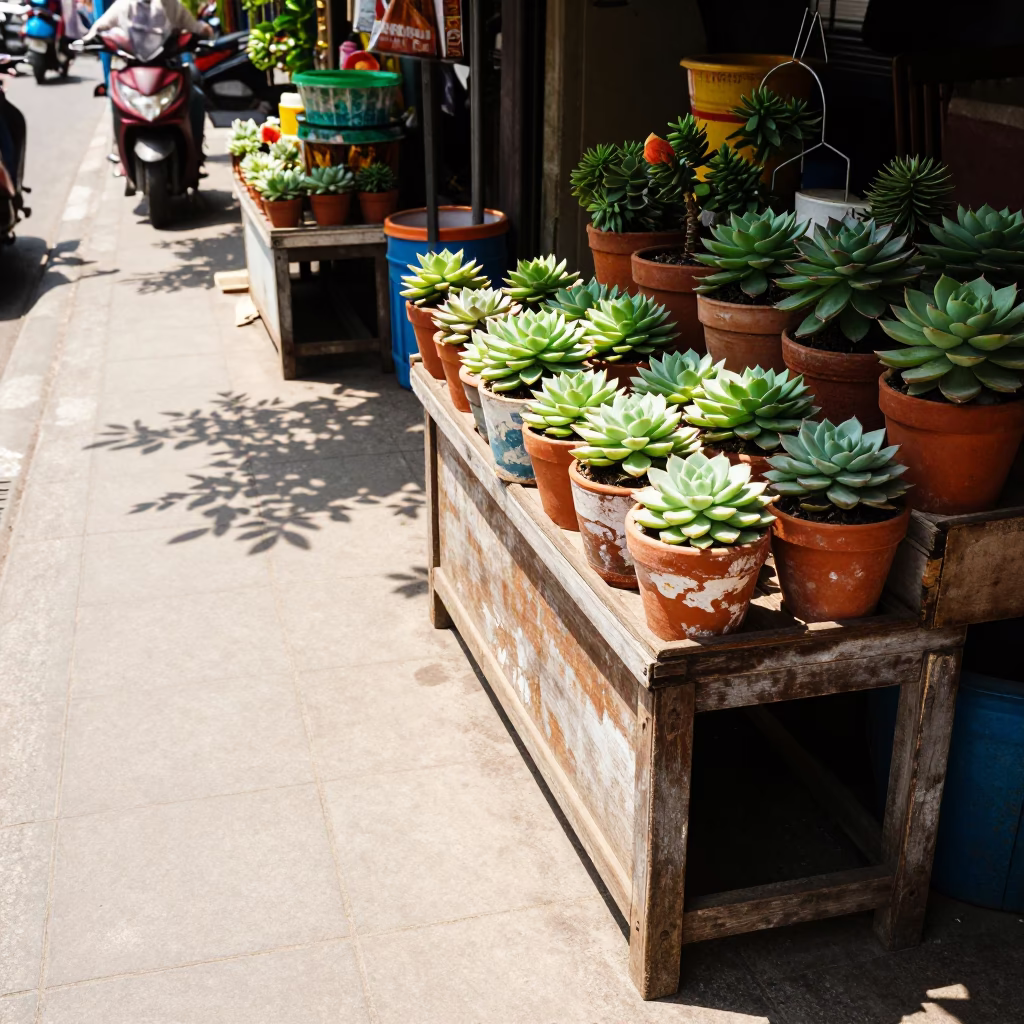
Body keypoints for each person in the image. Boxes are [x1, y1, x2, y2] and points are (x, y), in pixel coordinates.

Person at [85, 0, 212, 156]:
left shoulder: (171, 5)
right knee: (114, 95)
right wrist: (87, 40)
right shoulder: (124, 5)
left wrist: (204, 31)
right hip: (133, 71)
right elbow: (100, 26)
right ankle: (118, 147)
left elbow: (193, 26)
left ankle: (195, 150)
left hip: (167, 70)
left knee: (197, 96)